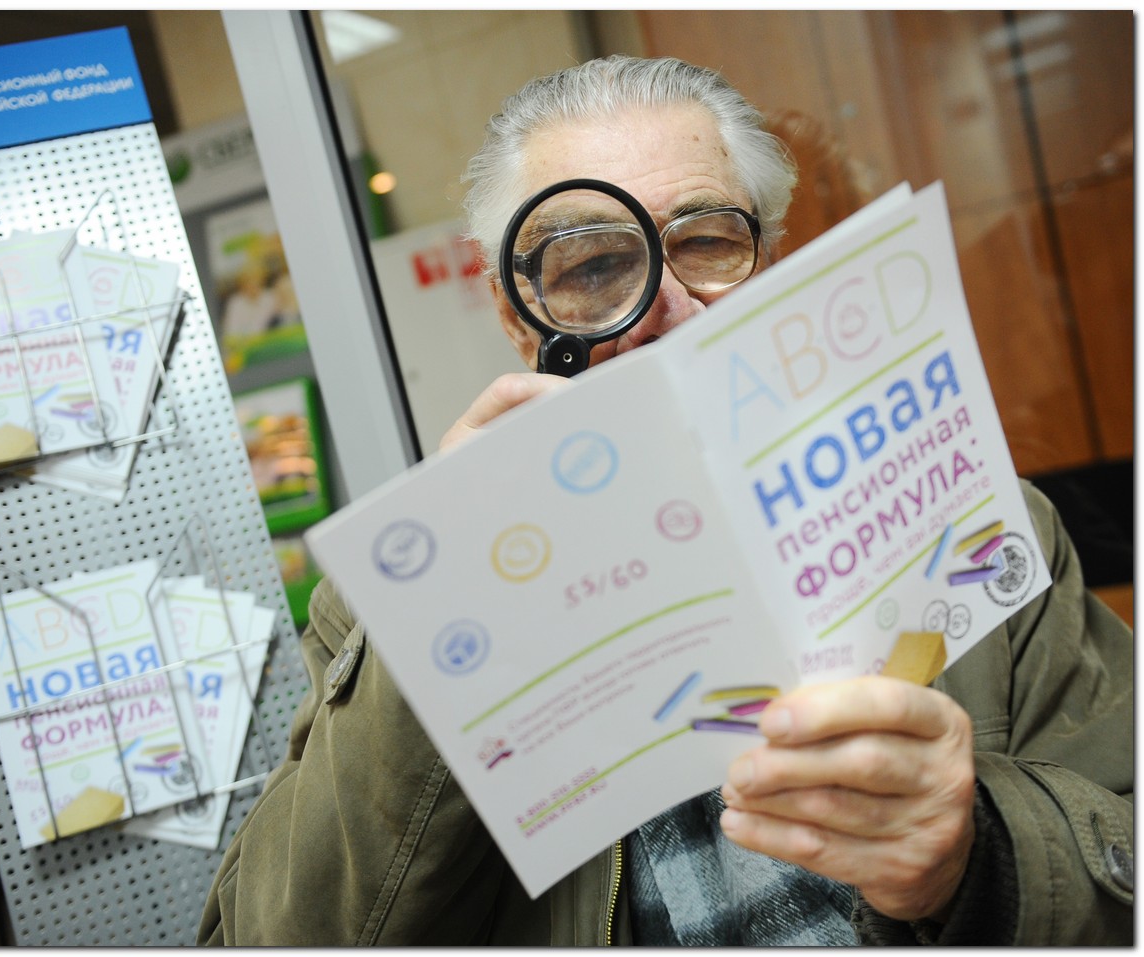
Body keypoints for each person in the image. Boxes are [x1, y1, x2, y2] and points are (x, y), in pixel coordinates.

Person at [198, 55, 1133, 946]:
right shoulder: (387, 605)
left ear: (765, 260)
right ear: (517, 318)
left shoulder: (965, 515)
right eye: (593, 267)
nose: (663, 310)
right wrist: (450, 601)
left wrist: (981, 854)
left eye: (705, 242)